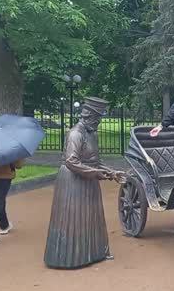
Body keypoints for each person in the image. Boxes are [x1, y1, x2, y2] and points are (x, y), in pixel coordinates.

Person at [44, 97, 125, 269]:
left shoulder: (91, 134)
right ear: (88, 117)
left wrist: (111, 172)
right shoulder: (76, 134)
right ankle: (71, 258)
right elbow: (71, 162)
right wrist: (96, 173)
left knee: (92, 216)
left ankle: (95, 252)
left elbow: (96, 160)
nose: (99, 123)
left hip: (87, 179)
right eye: (97, 120)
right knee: (74, 218)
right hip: (72, 182)